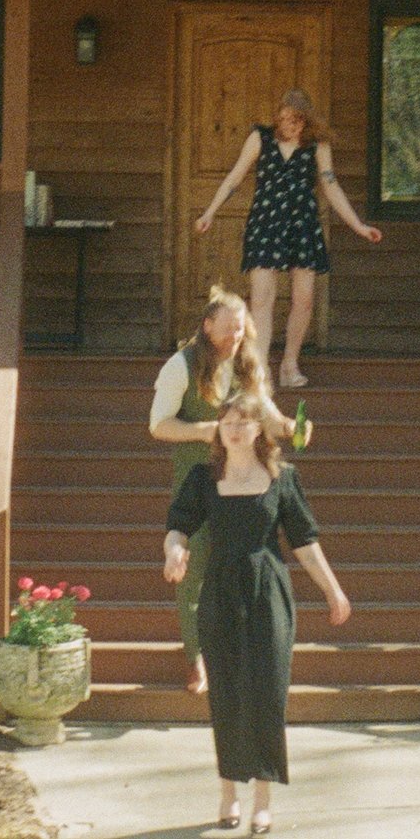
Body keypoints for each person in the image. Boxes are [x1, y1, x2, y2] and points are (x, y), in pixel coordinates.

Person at [163, 392, 349, 836]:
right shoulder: (203, 478)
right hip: (221, 592)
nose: (234, 428)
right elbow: (179, 526)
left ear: (260, 430)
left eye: (244, 421)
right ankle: (228, 793)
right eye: (227, 421)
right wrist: (174, 551)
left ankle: (263, 801)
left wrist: (333, 590)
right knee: (226, 695)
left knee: (267, 694)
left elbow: (304, 541)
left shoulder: (282, 478)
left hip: (269, 592)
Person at [193, 88, 381, 390]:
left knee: (303, 300)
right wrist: (210, 212)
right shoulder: (260, 138)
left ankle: (289, 365)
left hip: (302, 225)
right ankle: (260, 368)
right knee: (262, 298)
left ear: (305, 120)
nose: (287, 126)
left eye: (294, 120)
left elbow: (331, 187)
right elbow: (235, 177)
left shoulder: (317, 146)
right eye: (282, 119)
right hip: (266, 224)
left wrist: (358, 225)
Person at [150, 288, 288, 695]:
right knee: (195, 568)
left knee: (243, 564)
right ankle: (196, 659)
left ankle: (235, 651)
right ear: (207, 326)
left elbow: (266, 412)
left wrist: (290, 427)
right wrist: (207, 431)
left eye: (241, 329)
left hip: (244, 479)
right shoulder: (182, 365)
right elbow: (159, 425)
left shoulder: (248, 362)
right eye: (228, 329)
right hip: (197, 478)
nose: (235, 337)